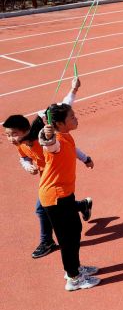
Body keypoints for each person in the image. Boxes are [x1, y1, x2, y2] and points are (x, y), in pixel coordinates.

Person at [3, 77, 93, 259]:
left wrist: (73, 90)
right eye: (8, 136)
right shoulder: (21, 144)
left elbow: (62, 111)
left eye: (14, 134)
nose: (11, 139)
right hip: (48, 180)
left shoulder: (42, 137)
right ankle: (82, 205)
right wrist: (27, 165)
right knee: (55, 208)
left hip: (55, 181)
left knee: (43, 209)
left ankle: (48, 242)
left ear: (26, 131)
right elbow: (23, 158)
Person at [37, 103, 99, 291]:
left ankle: (75, 268)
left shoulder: (66, 136)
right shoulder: (56, 140)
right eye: (72, 117)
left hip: (64, 194)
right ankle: (73, 278)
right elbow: (49, 145)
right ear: (59, 123)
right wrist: (46, 136)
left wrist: (85, 159)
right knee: (67, 238)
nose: (76, 118)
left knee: (75, 230)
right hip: (55, 197)